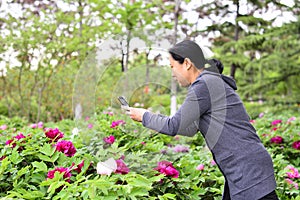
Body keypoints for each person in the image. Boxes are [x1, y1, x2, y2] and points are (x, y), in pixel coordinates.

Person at [123, 40, 278, 200]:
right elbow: (188, 129)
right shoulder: (208, 84)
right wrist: (149, 117)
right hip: (244, 168)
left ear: (187, 63)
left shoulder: (205, 84)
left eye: (172, 66)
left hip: (248, 169)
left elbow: (174, 125)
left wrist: (144, 116)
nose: (172, 73)